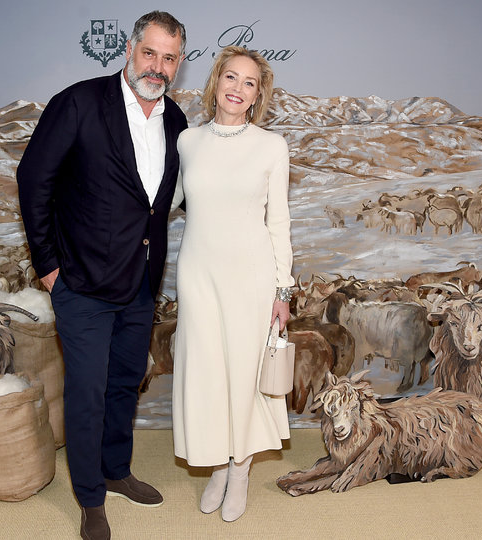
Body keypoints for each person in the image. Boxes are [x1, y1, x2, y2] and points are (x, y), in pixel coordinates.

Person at [16, 11, 187, 540]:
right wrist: (48, 268)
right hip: (82, 284)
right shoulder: (79, 102)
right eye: (149, 53)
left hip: (141, 284)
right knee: (87, 394)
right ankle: (90, 497)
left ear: (179, 64)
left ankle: (116, 471)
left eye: (169, 58)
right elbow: (33, 179)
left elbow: (163, 203)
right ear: (130, 50)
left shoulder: (176, 121)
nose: (157, 66)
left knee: (123, 385)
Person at [171, 45, 295, 523]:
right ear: (215, 81)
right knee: (207, 373)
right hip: (198, 274)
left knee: (243, 373)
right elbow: (163, 203)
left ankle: (239, 468)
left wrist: (283, 290)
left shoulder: (271, 146)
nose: (238, 88)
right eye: (231, 77)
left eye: (249, 82)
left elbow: (278, 223)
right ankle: (219, 466)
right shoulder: (187, 142)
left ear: (258, 94)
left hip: (251, 278)